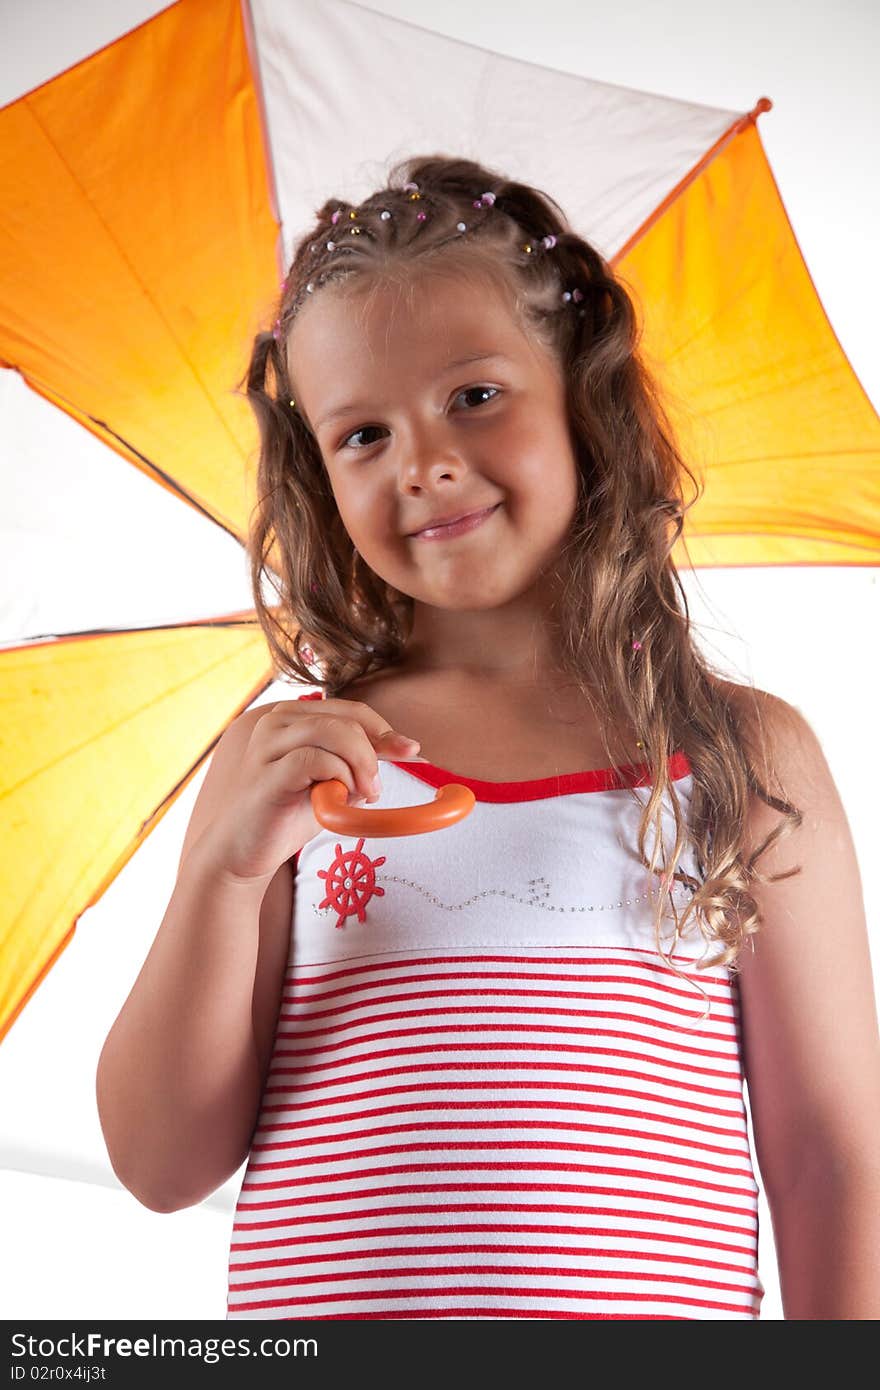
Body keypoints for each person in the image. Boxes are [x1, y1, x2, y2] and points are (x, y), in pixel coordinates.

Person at [96, 156, 879, 1320]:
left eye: (473, 396)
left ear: (582, 398)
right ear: (318, 476)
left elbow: (828, 1155)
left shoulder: (734, 755)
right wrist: (223, 872)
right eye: (362, 434)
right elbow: (162, 1166)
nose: (426, 463)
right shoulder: (292, 768)